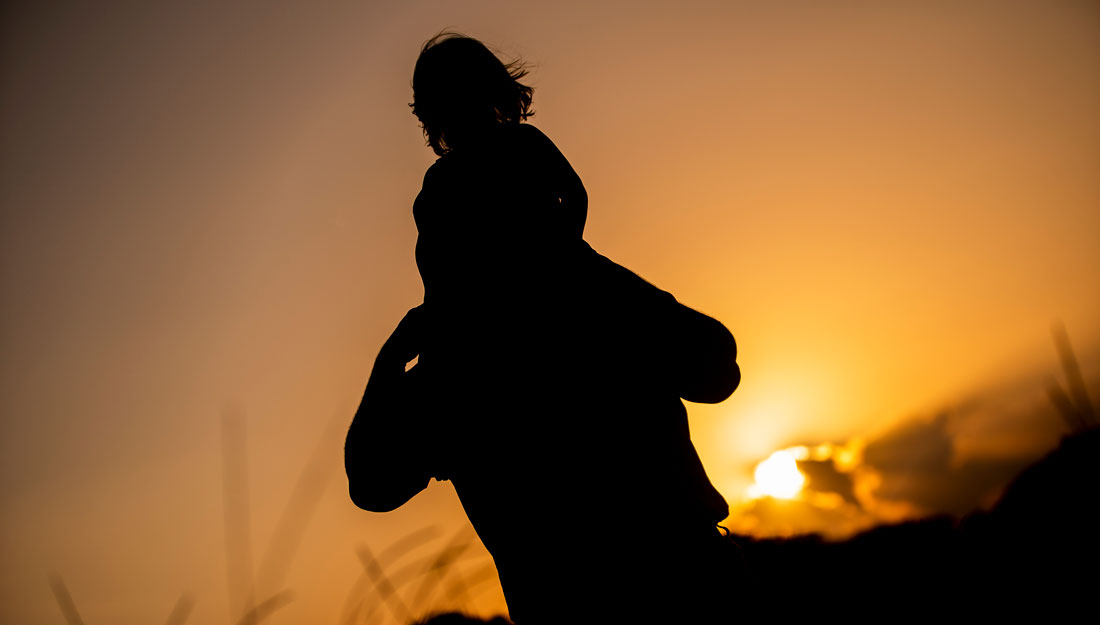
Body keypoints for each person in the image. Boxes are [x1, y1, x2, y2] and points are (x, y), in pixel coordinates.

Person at [346, 32, 742, 623]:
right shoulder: (590, 299)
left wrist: (390, 366)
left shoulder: (457, 361)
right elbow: (717, 368)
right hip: (692, 585)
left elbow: (372, 483)